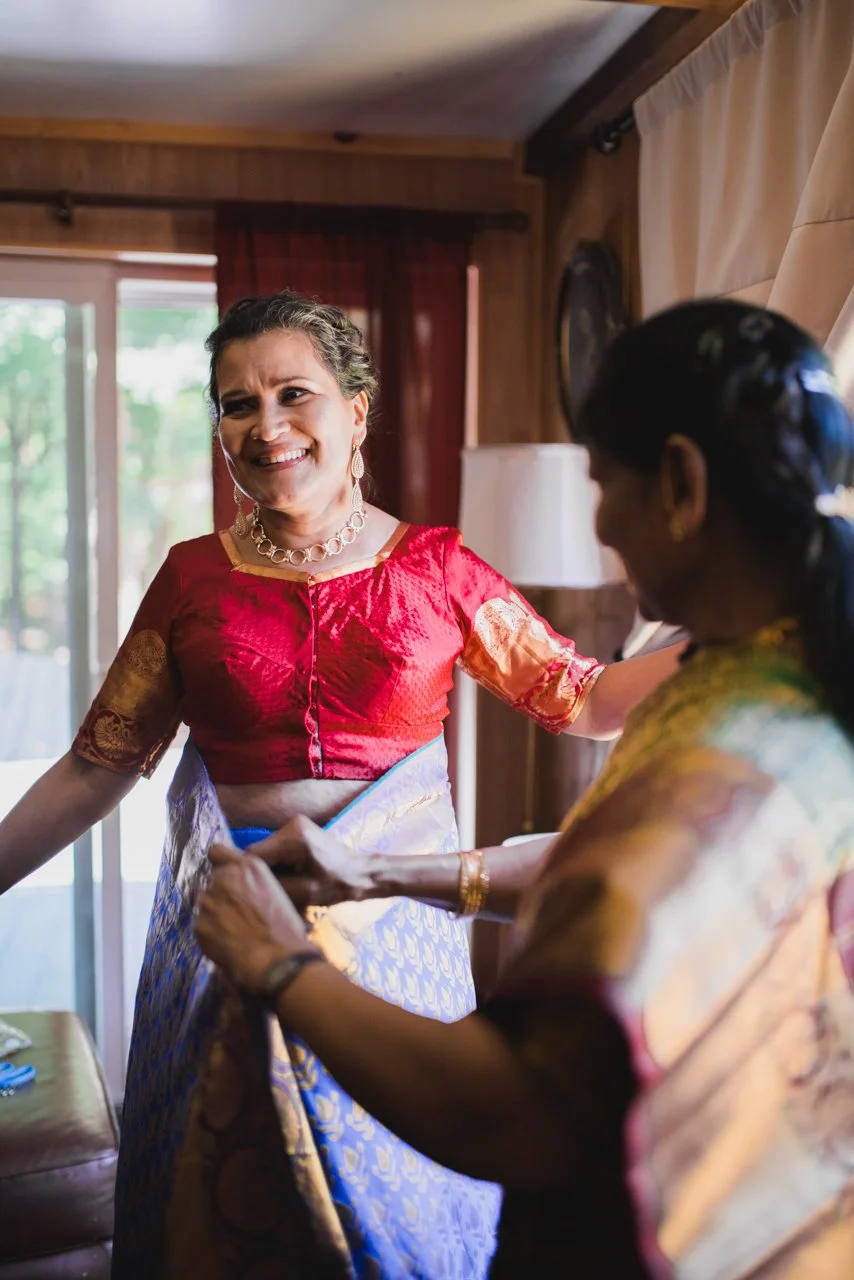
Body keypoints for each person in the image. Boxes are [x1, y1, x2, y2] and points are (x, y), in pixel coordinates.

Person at [0, 290, 679, 1280]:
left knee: (388, 1211)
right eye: (236, 403)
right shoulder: (191, 578)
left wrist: (753, 628)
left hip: (392, 938)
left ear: (356, 409)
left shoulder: (438, 567)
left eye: (292, 394)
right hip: (224, 938)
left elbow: (581, 698)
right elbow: (96, 766)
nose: (264, 425)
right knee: (222, 1212)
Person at [197, 299, 854, 1279]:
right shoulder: (752, 674)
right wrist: (373, 866)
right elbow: (612, 861)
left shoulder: (720, 747)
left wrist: (279, 963)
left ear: (678, 483)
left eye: (602, 481)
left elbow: (516, 1116)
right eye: (237, 403)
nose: (595, 519)